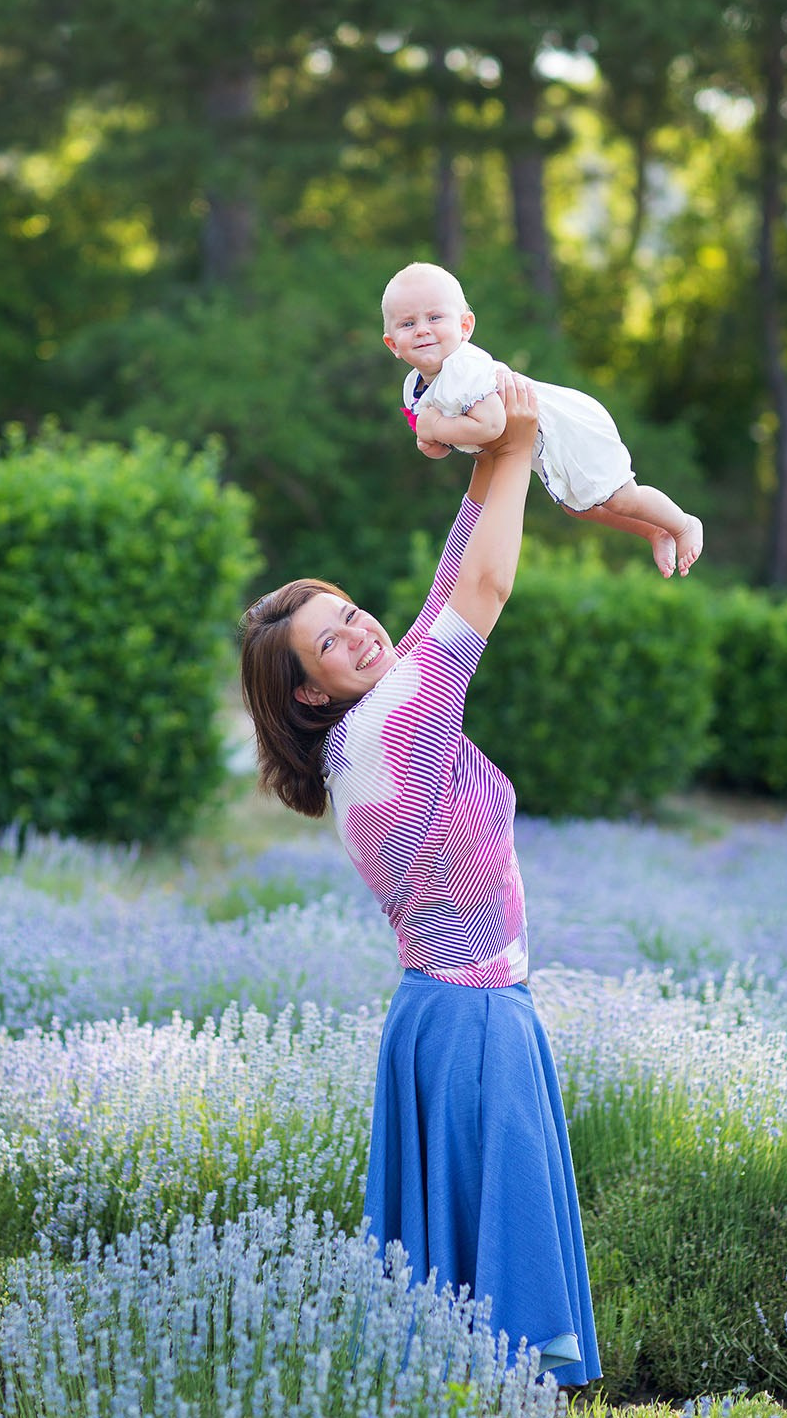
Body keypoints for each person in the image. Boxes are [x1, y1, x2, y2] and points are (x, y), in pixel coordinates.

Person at [239, 371, 601, 1389]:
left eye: (350, 611)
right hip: (475, 1022)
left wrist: (479, 431)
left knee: (457, 1314)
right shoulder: (397, 718)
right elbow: (480, 594)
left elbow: (449, 574)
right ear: (307, 689)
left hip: (440, 1018)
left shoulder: (365, 727)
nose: (359, 630)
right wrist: (520, 437)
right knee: (500, 1329)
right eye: (331, 640)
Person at [383, 259, 703, 580]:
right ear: (393, 344)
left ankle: (682, 523)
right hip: (542, 445)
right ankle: (654, 531)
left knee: (622, 497)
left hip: (566, 427)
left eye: (435, 317)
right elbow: (447, 442)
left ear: (465, 327)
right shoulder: (415, 387)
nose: (422, 329)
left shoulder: (464, 367)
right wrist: (431, 441)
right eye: (408, 324)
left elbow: (490, 425)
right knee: (580, 508)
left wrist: (434, 427)